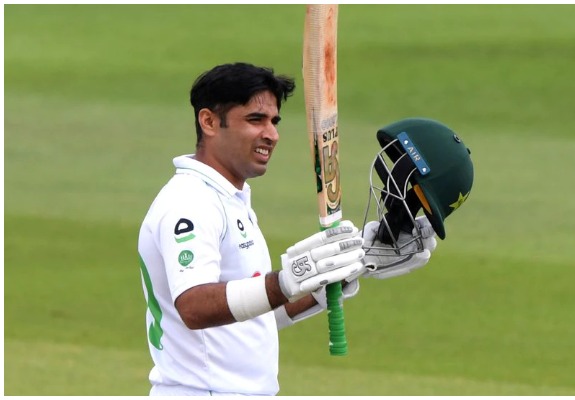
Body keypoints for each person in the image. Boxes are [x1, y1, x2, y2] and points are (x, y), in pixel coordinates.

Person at [137, 62, 472, 396]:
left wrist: (330, 279)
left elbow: (254, 319)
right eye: (255, 120)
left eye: (274, 121)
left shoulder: (230, 199)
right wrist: (284, 281)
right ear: (208, 121)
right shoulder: (191, 202)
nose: (271, 134)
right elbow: (193, 307)